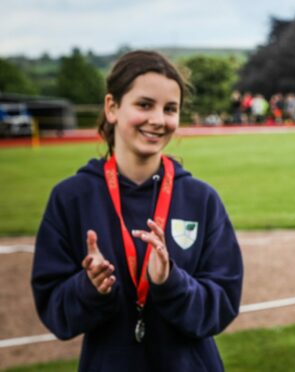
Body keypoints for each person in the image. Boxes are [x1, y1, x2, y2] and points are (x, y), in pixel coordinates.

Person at [31, 50, 243, 371]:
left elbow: (222, 305)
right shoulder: (70, 198)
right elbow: (56, 313)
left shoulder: (202, 199)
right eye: (144, 105)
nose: (158, 120)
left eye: (170, 109)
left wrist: (170, 281)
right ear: (112, 107)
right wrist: (90, 287)